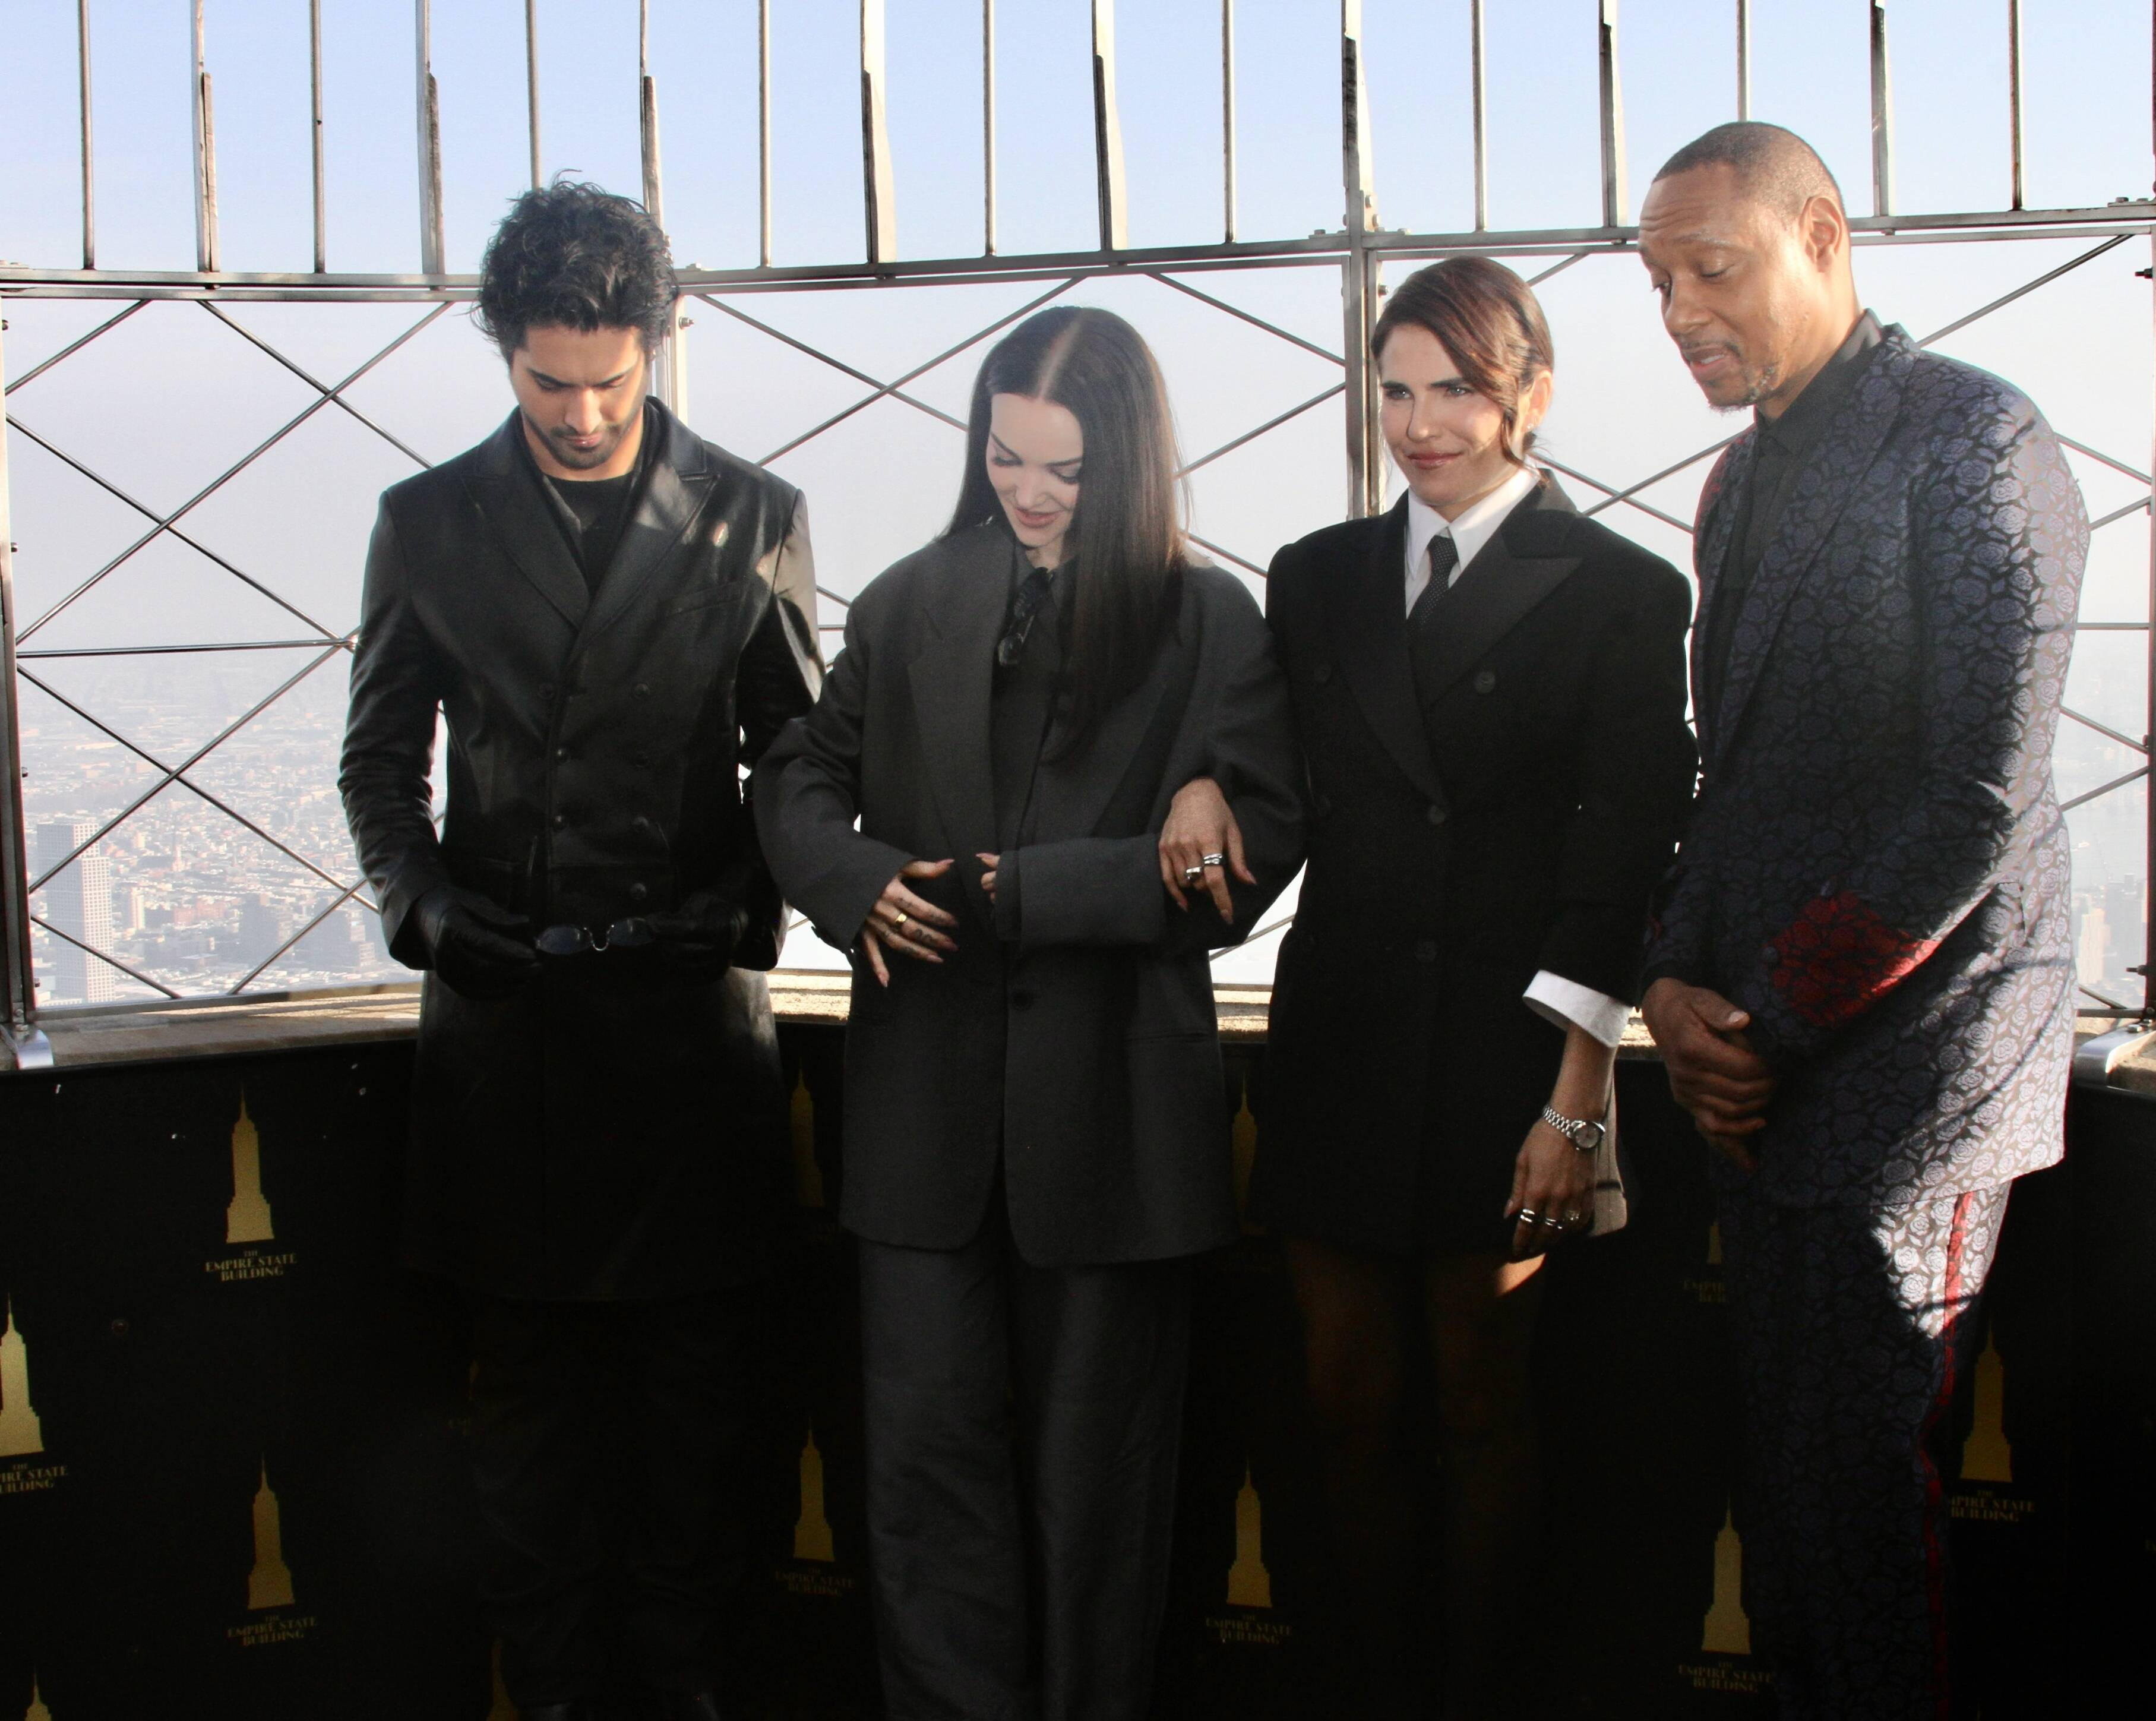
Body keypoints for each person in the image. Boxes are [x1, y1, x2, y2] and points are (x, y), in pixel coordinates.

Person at [1163, 255, 1699, 1720]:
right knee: (1342, 1407)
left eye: (1454, 389)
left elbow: (1620, 857)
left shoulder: (1623, 591)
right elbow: (1274, 775)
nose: (1417, 424)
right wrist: (1204, 784)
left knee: (1480, 1406)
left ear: (1529, 392)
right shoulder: (1317, 574)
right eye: (1393, 391)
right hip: (1339, 1042)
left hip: (1511, 1060)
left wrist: (1576, 1102)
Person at [752, 305, 1304, 1721]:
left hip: (1116, 1128)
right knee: (921, 1481)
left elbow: (1248, 860)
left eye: (1065, 468)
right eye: (1006, 458)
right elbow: (795, 780)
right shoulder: (904, 602)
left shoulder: (1209, 619)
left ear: (1130, 461)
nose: (1030, 491)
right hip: (918, 1127)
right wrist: (856, 882)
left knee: (1099, 1498)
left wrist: (1039, 893)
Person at [339, 181, 823, 1721]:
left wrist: (740, 904)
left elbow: (799, 762)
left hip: (689, 1045)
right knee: (527, 1457)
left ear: (658, 345)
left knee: (699, 1447)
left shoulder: (756, 516)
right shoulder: (425, 522)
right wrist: (427, 913)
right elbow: (378, 767)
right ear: (504, 350)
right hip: (510, 1042)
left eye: (611, 381)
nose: (584, 414)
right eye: (550, 383)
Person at [1635, 122, 2087, 1719]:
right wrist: (1670, 983)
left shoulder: (1974, 439)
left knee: (1860, 1495)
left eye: (1711, 268)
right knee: (1795, 1496)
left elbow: (1977, 796)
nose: (1679, 311)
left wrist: (1759, 1021)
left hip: (1921, 1069)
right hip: (1762, 1072)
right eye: (1657, 282)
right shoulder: (1738, 480)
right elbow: (1730, 775)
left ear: (1820, 234)